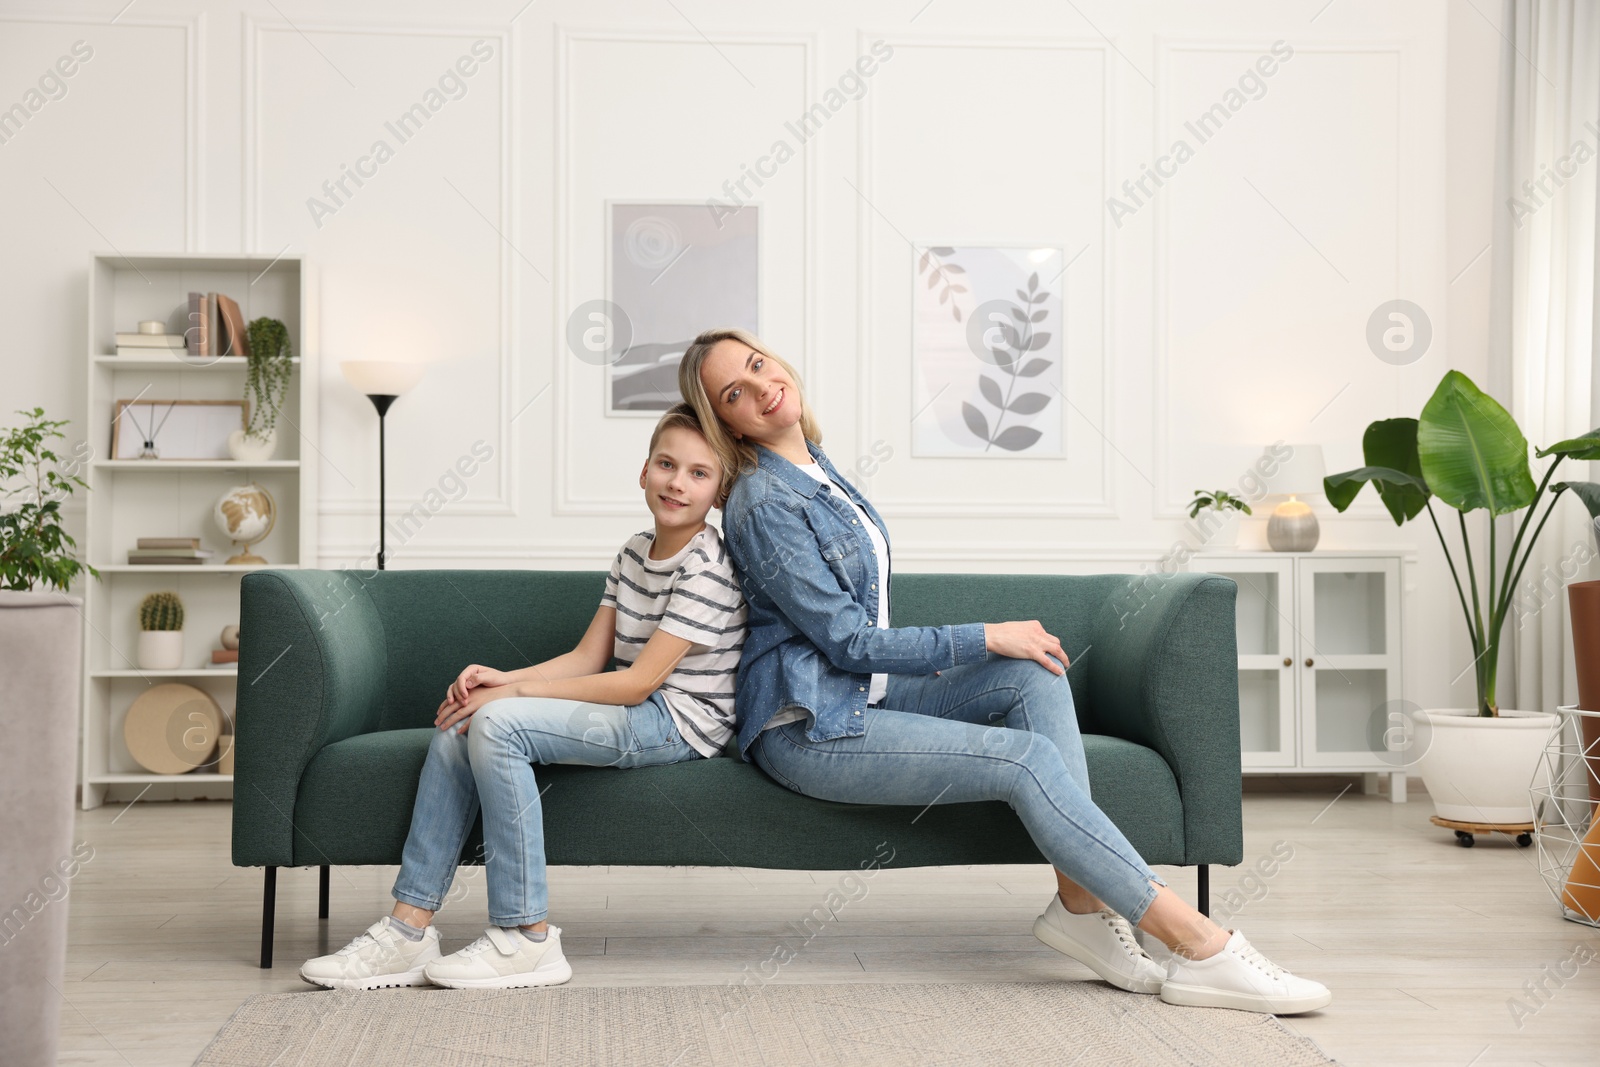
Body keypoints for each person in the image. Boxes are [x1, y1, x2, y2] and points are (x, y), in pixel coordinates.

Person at [675, 327, 1332, 1015]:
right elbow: (847, 643)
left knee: (1037, 670)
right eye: (734, 394)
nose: (760, 386)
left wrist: (999, 647)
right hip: (809, 722)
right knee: (1020, 760)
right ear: (726, 423)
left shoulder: (815, 465)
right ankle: (1197, 941)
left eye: (756, 364)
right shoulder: (762, 501)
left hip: (860, 693)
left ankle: (1078, 906)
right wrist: (984, 633)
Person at [299, 402, 748, 991]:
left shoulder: (708, 566)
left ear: (718, 492)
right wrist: (500, 682)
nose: (677, 482)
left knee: (498, 725)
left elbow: (640, 682)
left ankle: (526, 937)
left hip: (679, 721)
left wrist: (510, 701)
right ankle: (407, 932)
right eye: (666, 464)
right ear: (643, 471)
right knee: (464, 721)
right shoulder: (635, 551)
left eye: (698, 473)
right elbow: (589, 659)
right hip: (638, 708)